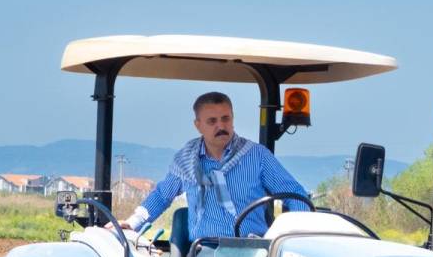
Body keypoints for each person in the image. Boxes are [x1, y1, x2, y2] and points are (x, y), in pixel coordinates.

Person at [122, 91, 310, 240]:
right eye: (212, 121)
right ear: (198, 125)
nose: (221, 126)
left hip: (252, 249)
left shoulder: (257, 156)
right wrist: (132, 223)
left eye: (225, 119)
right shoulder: (186, 160)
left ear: (232, 119)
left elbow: (294, 194)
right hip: (205, 249)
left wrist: (300, 231)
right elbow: (162, 195)